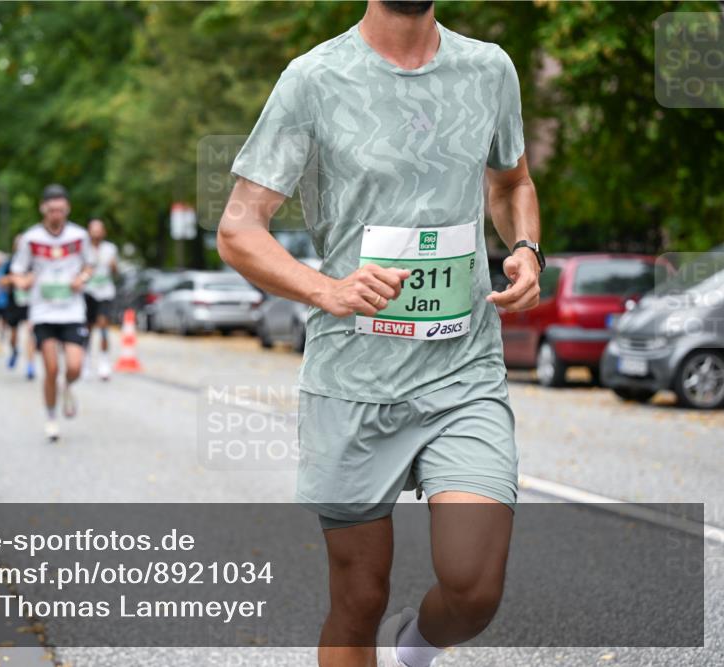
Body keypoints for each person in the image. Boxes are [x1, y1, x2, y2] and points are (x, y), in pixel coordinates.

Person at [217, 2, 544, 667]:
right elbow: (239, 228)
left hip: (463, 371)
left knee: (475, 587)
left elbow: (512, 183)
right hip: (353, 381)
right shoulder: (313, 79)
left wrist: (526, 248)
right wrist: (325, 289)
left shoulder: (489, 69)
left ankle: (412, 650)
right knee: (359, 598)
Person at [10, 184, 93, 441]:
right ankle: (51, 417)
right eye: (52, 210)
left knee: (75, 367)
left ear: (67, 209)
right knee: (51, 368)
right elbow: (17, 271)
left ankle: (67, 387)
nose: (56, 214)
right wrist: (22, 281)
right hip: (43, 312)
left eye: (61, 210)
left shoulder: (79, 236)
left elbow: (89, 266)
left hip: (72, 311)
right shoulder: (31, 238)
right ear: (43, 209)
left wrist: (82, 278)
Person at [83, 218, 118, 380]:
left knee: (103, 325)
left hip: (105, 292)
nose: (96, 233)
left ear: (103, 232)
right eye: (93, 230)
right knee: (87, 329)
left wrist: (113, 266)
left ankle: (104, 362)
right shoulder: (83, 249)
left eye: (99, 230)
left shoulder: (110, 249)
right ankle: (86, 361)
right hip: (88, 292)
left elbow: (116, 272)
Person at [0, 234, 36, 379]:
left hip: (31, 302)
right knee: (13, 335)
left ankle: (30, 365)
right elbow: (1, 281)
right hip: (14, 302)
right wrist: (13, 279)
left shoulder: (35, 262)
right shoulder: (10, 263)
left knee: (31, 333)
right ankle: (15, 350)